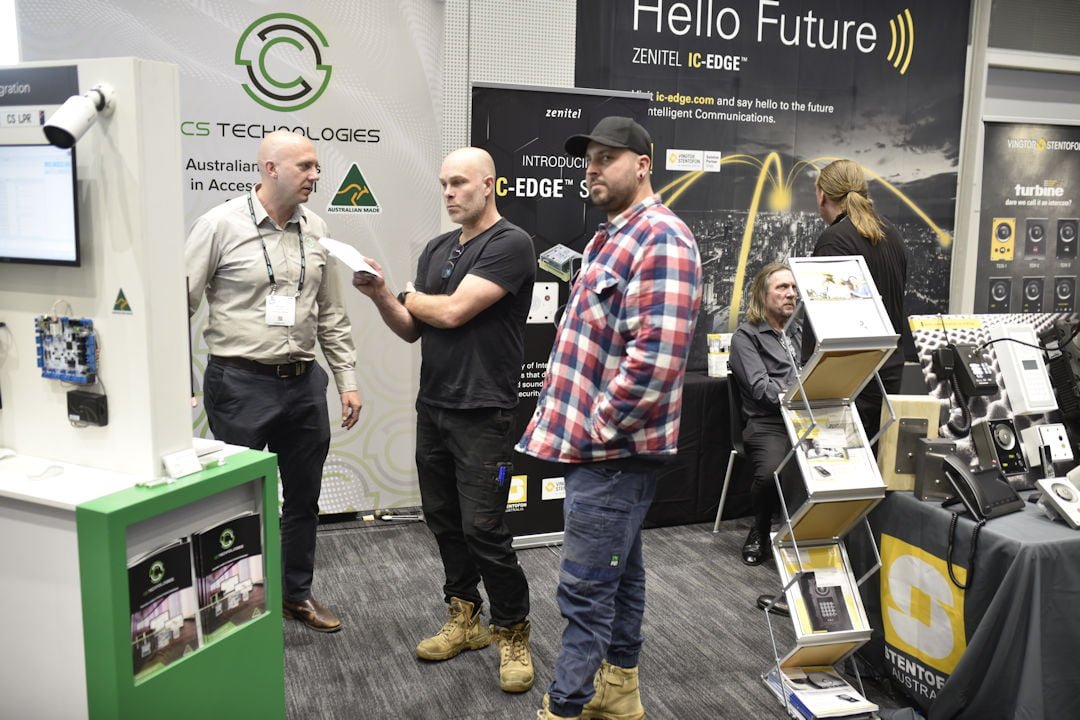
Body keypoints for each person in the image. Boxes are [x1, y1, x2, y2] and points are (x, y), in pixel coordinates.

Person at [518, 116, 702, 720]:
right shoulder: (612, 237)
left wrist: (602, 426)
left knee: (585, 586)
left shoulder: (661, 238)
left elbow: (657, 358)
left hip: (613, 453)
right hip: (602, 449)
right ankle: (618, 689)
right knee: (618, 576)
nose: (591, 168)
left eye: (607, 158)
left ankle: (565, 706)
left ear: (643, 164)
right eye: (589, 158)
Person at [351, 147, 536, 693]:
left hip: (484, 411)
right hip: (434, 406)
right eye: (444, 184)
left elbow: (452, 312)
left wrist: (409, 294)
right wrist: (382, 294)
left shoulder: (510, 243)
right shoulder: (436, 248)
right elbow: (413, 328)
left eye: (460, 183)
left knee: (484, 529)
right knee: (443, 520)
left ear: (489, 185)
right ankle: (465, 616)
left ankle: (512, 630)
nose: (450, 193)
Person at [185, 129, 363, 633]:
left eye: (316, 166)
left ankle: (294, 595)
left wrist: (347, 379)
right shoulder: (219, 225)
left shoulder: (317, 228)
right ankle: (238, 606)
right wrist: (176, 381)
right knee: (238, 502)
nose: (315, 175)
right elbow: (177, 302)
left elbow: (331, 313)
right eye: (305, 166)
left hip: (303, 384)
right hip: (239, 383)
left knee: (303, 499)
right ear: (271, 169)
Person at [805, 159, 909, 442]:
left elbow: (824, 316)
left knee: (839, 460)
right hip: (888, 371)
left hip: (848, 377)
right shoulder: (892, 235)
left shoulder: (834, 240)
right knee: (875, 457)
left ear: (822, 195)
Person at [728, 262, 801, 569]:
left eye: (793, 287)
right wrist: (800, 390)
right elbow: (762, 389)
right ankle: (759, 528)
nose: (791, 293)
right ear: (762, 294)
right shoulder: (746, 337)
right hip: (768, 421)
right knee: (771, 472)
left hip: (807, 415)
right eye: (782, 287)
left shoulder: (801, 331)